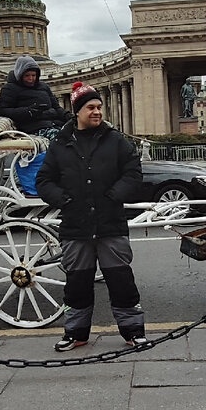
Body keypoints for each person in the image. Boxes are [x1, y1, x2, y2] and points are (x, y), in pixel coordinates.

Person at [36, 82, 147, 352]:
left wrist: (113, 196)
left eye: (99, 106)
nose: (97, 111)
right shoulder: (60, 145)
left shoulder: (116, 140)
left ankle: (133, 332)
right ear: (78, 111)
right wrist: (64, 200)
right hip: (76, 227)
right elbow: (44, 181)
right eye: (91, 107)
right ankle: (76, 333)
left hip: (110, 224)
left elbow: (133, 173)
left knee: (122, 282)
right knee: (77, 285)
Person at [0, 55, 71, 136]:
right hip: (31, 128)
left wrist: (68, 115)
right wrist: (28, 111)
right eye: (27, 75)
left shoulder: (44, 86)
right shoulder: (10, 88)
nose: (31, 79)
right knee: (62, 140)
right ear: (20, 75)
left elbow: (56, 107)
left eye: (33, 75)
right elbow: (2, 111)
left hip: (53, 124)